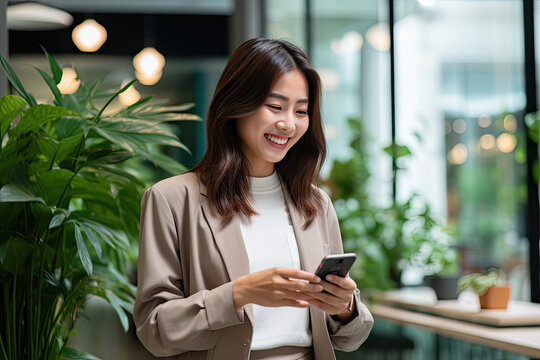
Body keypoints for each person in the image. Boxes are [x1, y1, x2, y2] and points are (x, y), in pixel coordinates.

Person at [133, 38, 373, 360]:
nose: (288, 123)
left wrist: (345, 307)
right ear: (236, 103)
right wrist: (238, 294)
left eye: (301, 111)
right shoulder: (172, 199)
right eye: (275, 106)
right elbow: (154, 330)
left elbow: (351, 338)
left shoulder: (315, 204)